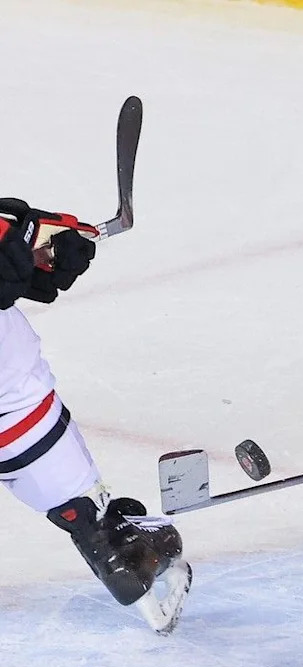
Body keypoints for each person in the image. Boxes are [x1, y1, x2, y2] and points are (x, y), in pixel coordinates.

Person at [0, 197, 190, 634]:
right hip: (16, 410)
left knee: (95, 526)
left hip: (17, 409)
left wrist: (34, 241)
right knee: (98, 529)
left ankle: (104, 530)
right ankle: (113, 540)